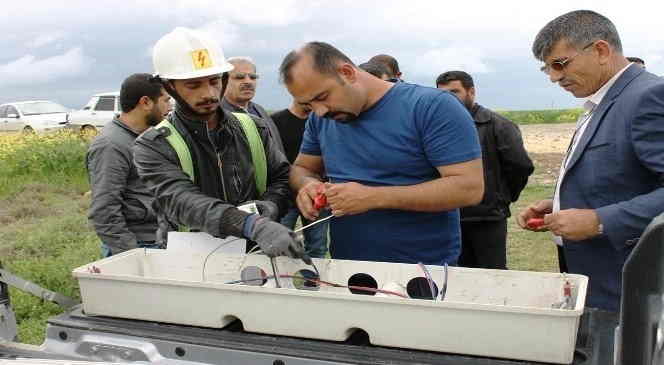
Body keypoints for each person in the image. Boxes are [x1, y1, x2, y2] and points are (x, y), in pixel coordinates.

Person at [282, 42, 484, 265]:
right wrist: (307, 185)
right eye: (308, 105)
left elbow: (469, 188)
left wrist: (373, 197)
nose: (319, 111)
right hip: (348, 265)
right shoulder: (320, 120)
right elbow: (302, 168)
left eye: (322, 97)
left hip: (423, 268)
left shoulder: (432, 107)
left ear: (347, 73)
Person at [518, 10, 664, 311]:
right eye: (547, 69)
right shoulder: (601, 100)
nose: (555, 77)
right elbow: (623, 174)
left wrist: (599, 221)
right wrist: (557, 202)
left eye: (560, 64)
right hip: (596, 276)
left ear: (600, 50)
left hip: (629, 283)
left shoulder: (647, 97)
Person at [133, 27, 304, 259]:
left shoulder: (254, 127)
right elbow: (181, 200)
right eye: (194, 85)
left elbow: (282, 178)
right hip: (189, 257)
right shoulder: (153, 145)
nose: (209, 94)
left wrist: (272, 205)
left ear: (224, 78)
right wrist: (250, 224)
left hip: (258, 254)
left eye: (214, 81)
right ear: (169, 86)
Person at [436, 71, 534, 270]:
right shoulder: (437, 128)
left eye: (454, 92)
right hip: (449, 219)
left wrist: (501, 198)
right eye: (443, 94)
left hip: (487, 219)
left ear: (471, 92)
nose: (448, 99)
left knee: (492, 275)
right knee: (455, 276)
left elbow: (521, 166)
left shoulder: (499, 125)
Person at [87, 73, 172, 257]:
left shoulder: (151, 137)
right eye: (166, 100)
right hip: (139, 246)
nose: (170, 107)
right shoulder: (110, 145)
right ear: (146, 102)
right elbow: (104, 211)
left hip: (160, 241)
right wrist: (132, 257)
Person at [271, 101, 329, 258]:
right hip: (285, 197)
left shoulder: (324, 121)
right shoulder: (275, 121)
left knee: (317, 246)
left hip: (317, 195)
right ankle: (283, 281)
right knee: (281, 245)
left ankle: (312, 282)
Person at [221, 56, 285, 152]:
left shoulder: (260, 110)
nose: (248, 82)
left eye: (253, 77)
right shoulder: (217, 116)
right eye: (239, 77)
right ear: (223, 81)